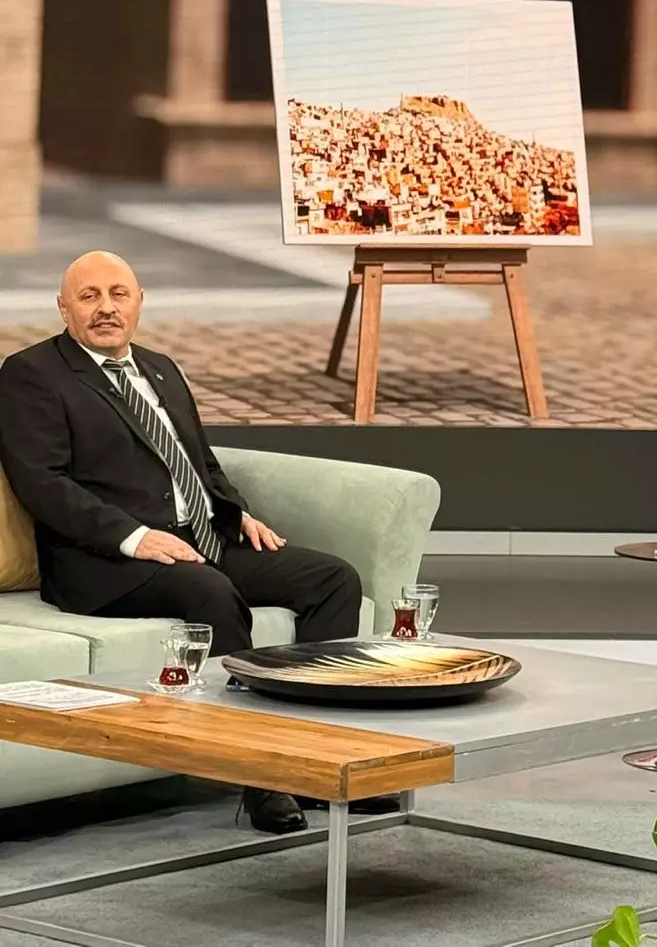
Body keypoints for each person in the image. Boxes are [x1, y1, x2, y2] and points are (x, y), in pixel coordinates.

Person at [0, 250, 400, 835]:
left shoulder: (159, 367)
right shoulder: (32, 373)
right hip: (106, 559)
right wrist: (136, 537)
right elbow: (43, 482)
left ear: (139, 303)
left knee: (332, 580)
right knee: (211, 593)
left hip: (201, 539)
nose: (106, 308)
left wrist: (236, 513)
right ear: (64, 308)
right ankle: (261, 779)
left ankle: (322, 760)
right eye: (89, 297)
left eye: (118, 294)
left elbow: (199, 461)